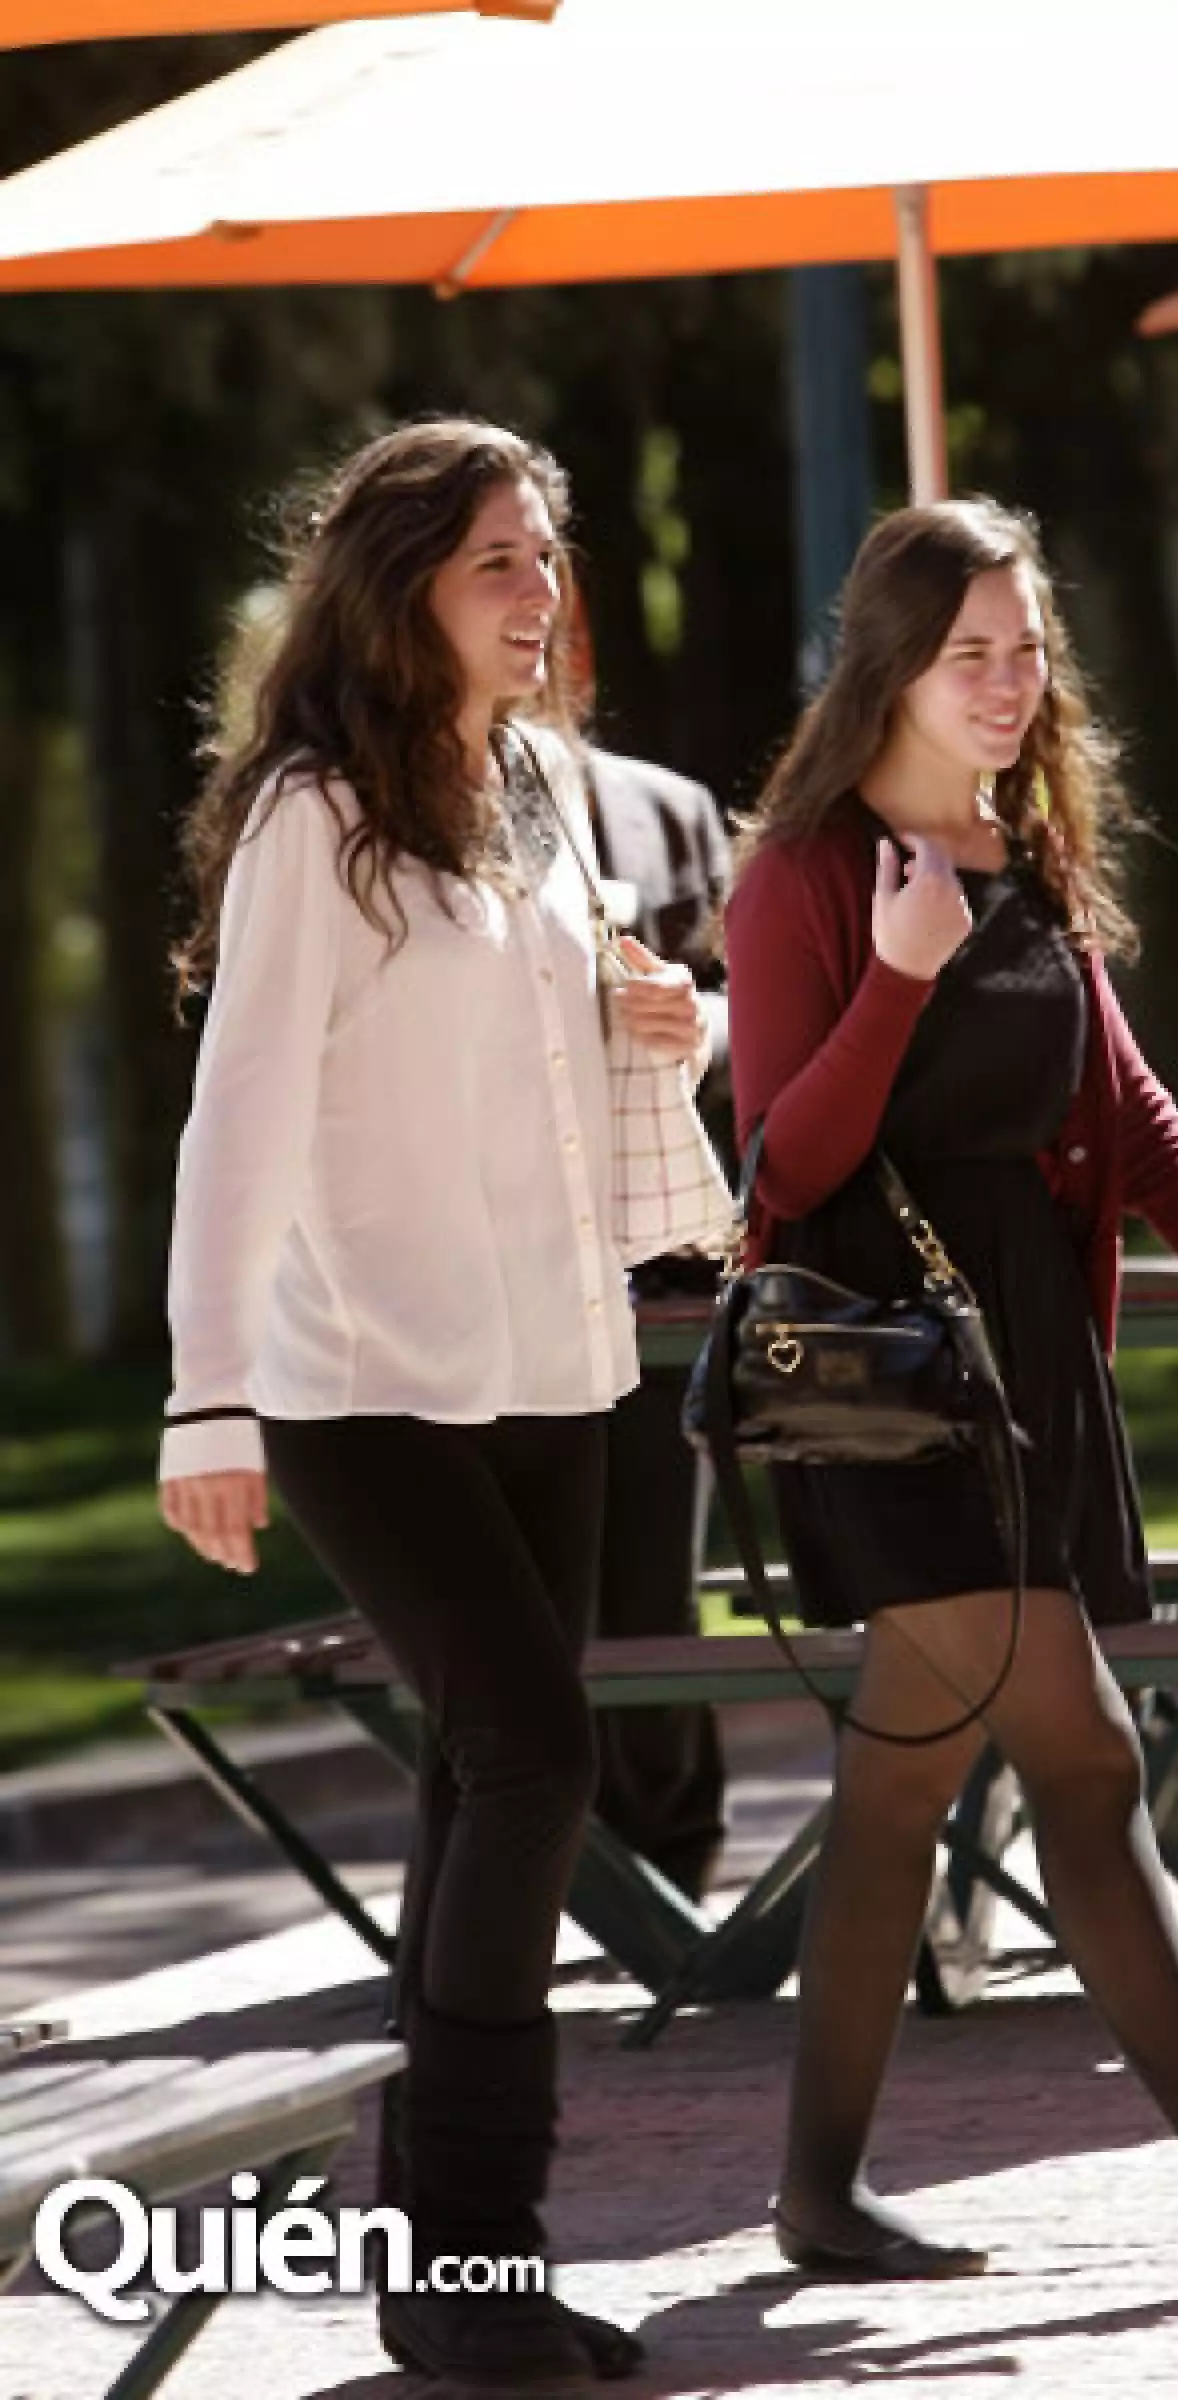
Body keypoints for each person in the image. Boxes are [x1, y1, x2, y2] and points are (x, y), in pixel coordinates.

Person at [723, 498, 1178, 2286]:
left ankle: (816, 2196)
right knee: (1087, 1759)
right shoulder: (806, 871)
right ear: (889, 664)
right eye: (973, 656)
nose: (1013, 684)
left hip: (1028, 1368)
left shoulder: (1018, 840)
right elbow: (784, 1159)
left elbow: (1134, 1111)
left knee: (899, 1796)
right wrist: (895, 978)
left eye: (1029, 649)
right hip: (892, 1384)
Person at [157, 418, 707, 2394]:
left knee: (480, 1782)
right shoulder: (317, 812)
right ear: (398, 586)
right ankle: (477, 2264)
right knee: (540, 1760)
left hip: (548, 1365)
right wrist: (204, 1397)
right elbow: (242, 1111)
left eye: (545, 559)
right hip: (355, 1380)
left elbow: (550, 1041)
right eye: (496, 560)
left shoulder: (541, 791)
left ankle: (444, 2276)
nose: (536, 593)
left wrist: (673, 1017)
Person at [582, 737, 731, 1902]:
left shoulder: (664, 806)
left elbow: (745, 1002)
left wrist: (690, 1022)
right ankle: (539, 1876)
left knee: (650, 1579)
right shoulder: (391, 799)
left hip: (655, 1272)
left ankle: (669, 1868)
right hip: (482, 1265)